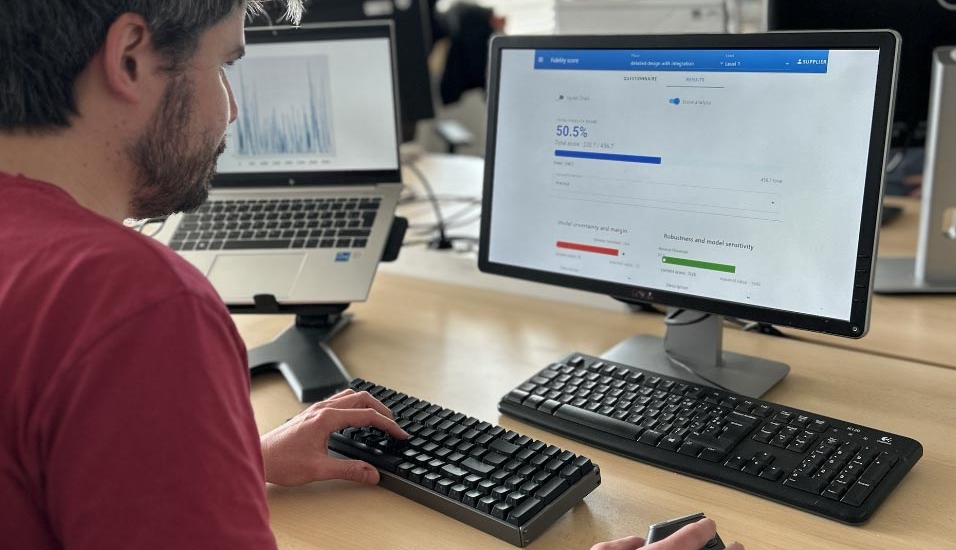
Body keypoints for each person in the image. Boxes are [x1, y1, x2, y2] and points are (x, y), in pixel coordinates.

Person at [0, 2, 742, 549]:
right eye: (224, 65)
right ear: (130, 58)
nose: (232, 110)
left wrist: (220, 466)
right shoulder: (133, 304)